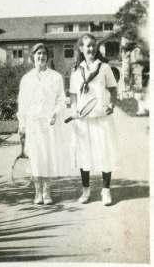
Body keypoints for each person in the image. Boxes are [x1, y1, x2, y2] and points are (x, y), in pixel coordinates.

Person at [17, 43, 73, 204]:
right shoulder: (26, 79)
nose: (41, 56)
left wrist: (55, 113)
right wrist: (22, 124)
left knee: (48, 158)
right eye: (38, 54)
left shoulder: (55, 77)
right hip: (33, 125)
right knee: (35, 158)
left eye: (43, 54)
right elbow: (22, 104)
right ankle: (37, 192)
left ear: (47, 57)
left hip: (49, 124)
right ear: (32, 57)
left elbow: (61, 99)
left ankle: (47, 192)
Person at [69, 34, 118, 206]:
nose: (91, 49)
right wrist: (74, 111)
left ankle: (106, 191)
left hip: (102, 118)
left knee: (105, 153)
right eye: (87, 46)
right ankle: (86, 190)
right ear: (81, 48)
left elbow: (113, 89)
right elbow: (73, 96)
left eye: (93, 45)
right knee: (84, 155)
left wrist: (111, 105)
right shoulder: (76, 72)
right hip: (83, 121)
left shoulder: (104, 67)